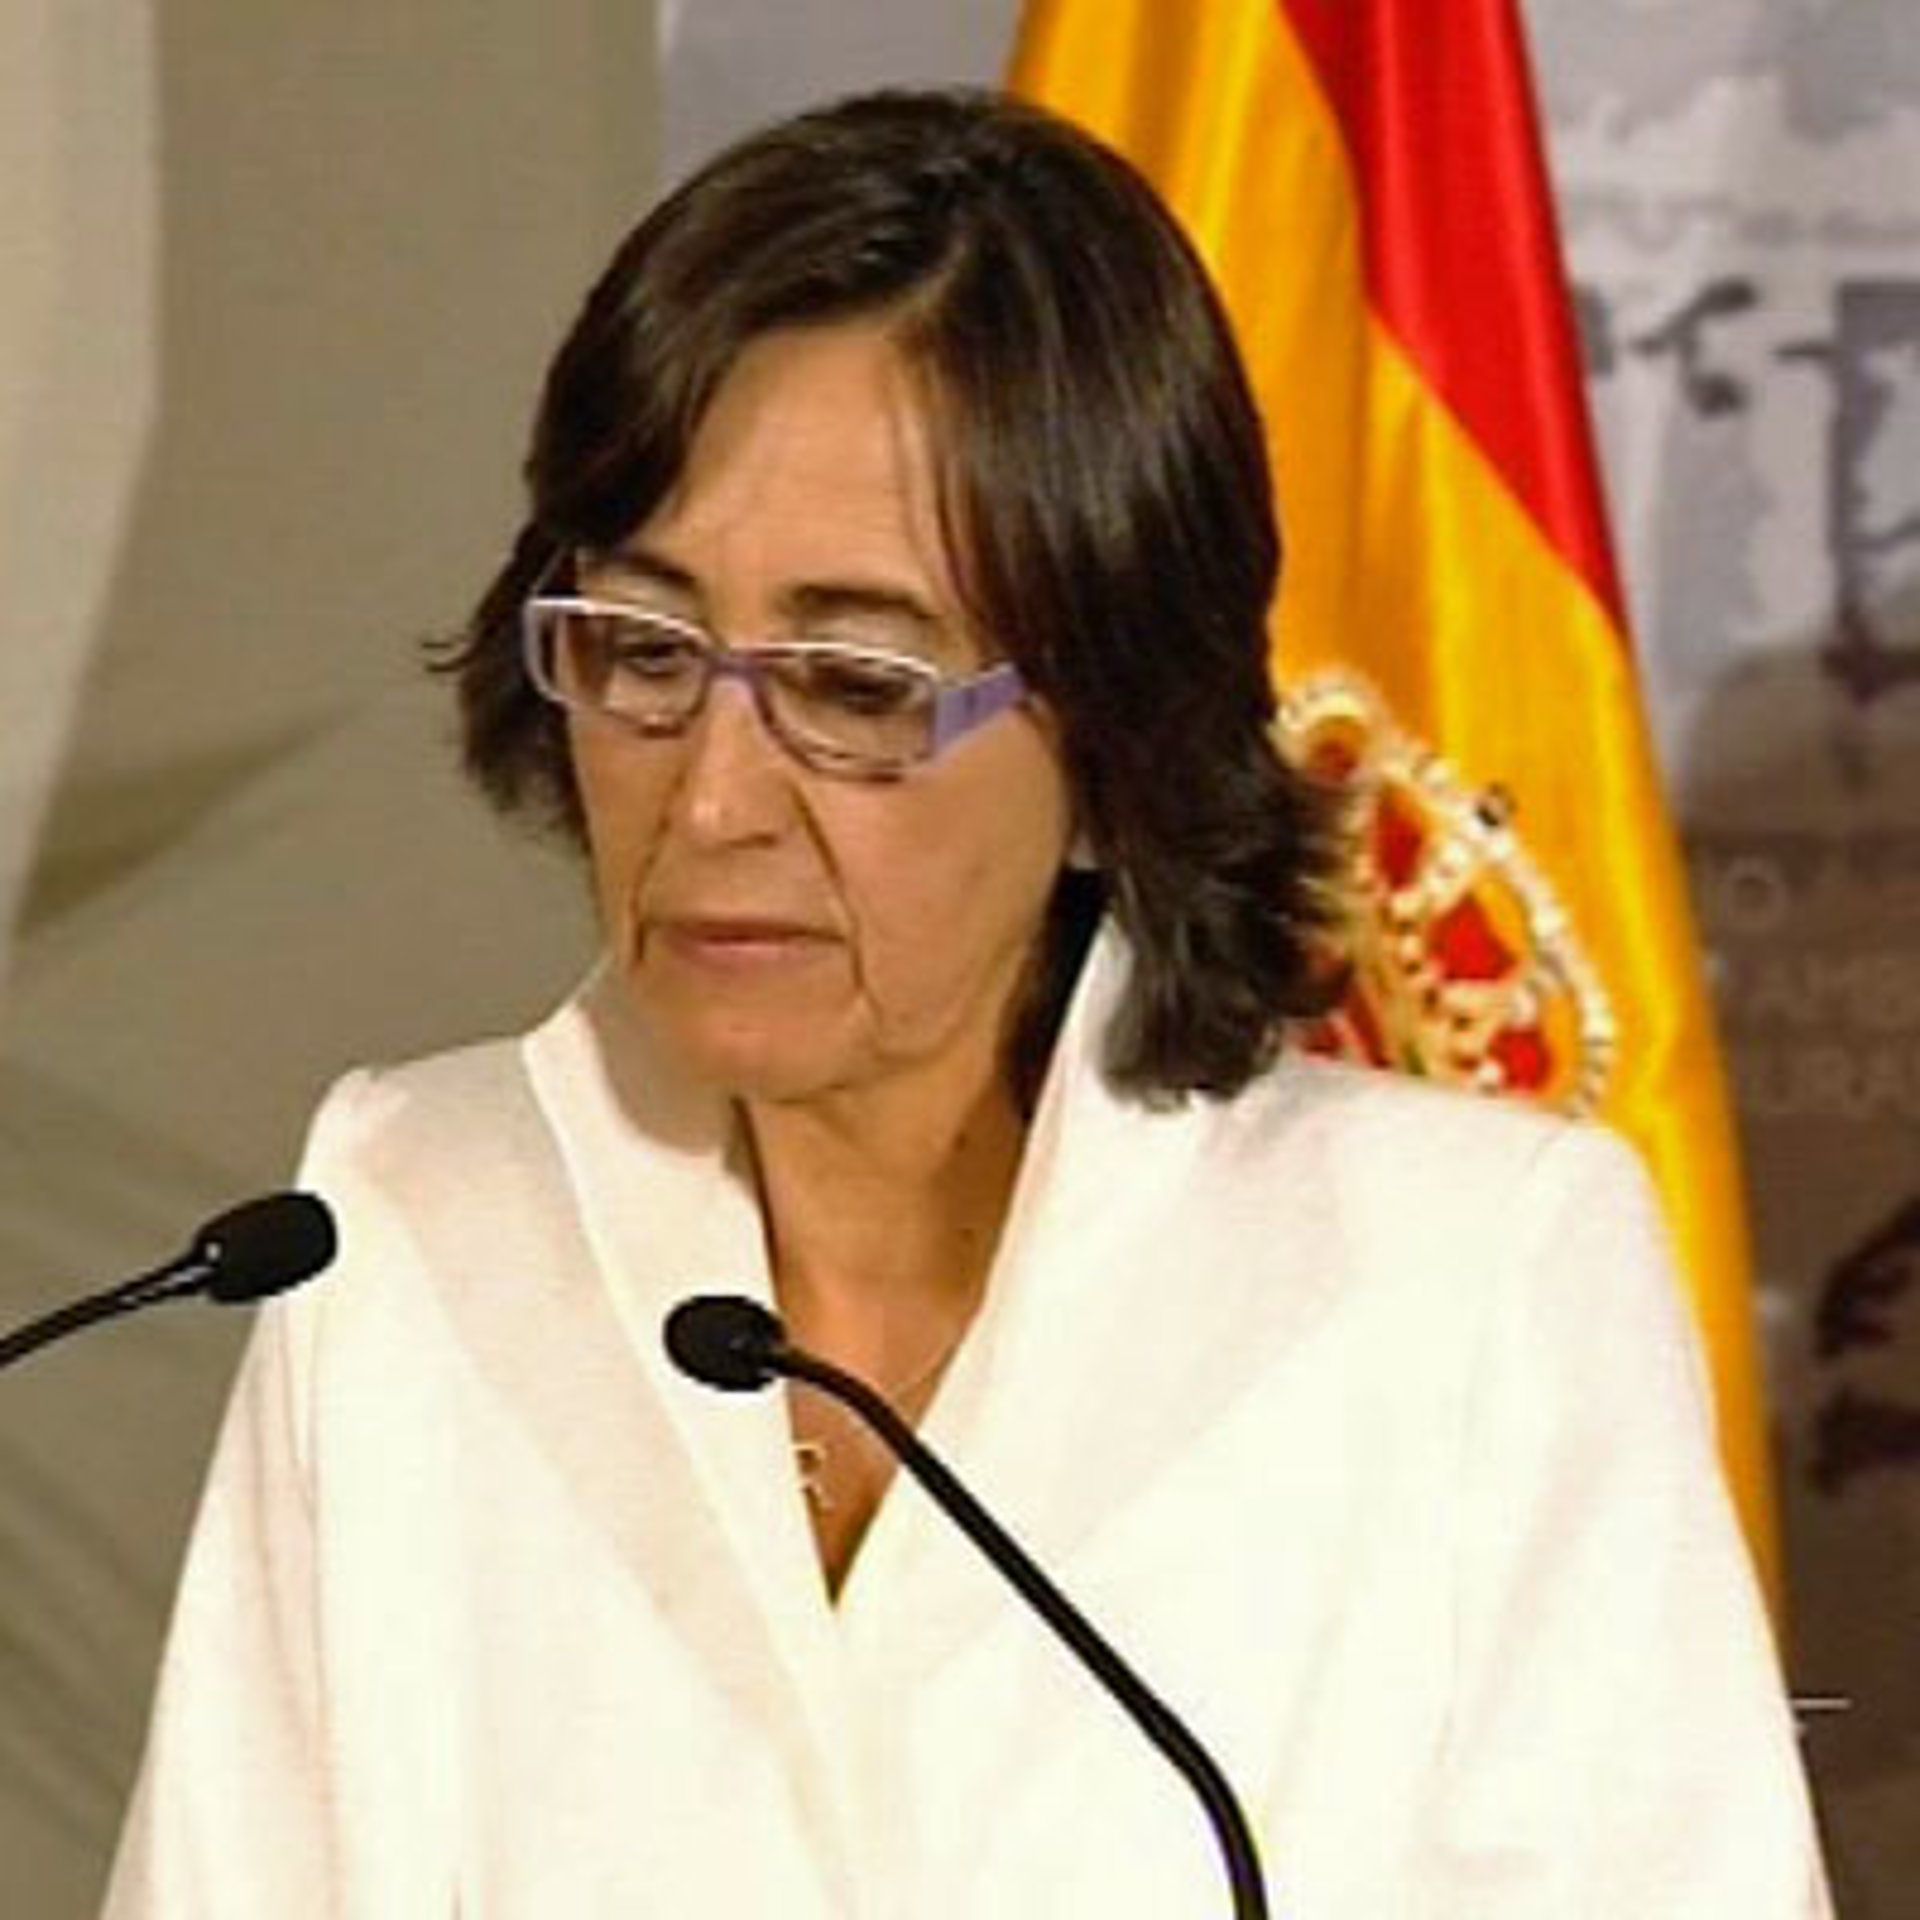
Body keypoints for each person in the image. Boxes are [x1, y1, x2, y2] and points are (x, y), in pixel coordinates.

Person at [103, 88, 1830, 1916]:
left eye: (855, 683)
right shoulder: (398, 1217)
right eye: (646, 649)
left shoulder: (1467, 1284)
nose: (712, 797)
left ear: (1112, 743)